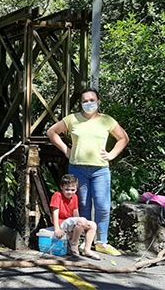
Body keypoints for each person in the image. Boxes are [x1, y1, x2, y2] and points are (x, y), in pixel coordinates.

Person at [47, 88, 129, 256]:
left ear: (98, 102)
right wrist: (66, 149)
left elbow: (123, 138)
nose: (88, 103)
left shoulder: (107, 120)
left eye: (92, 100)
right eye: (85, 101)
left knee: (103, 206)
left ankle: (102, 242)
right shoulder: (72, 119)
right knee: (83, 206)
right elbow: (52, 132)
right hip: (78, 168)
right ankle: (84, 241)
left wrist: (111, 154)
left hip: (101, 169)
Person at [50, 174, 101, 260]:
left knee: (92, 225)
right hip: (62, 222)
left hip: (72, 222)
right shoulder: (57, 195)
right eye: (67, 189)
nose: (70, 192)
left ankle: (87, 250)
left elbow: (75, 212)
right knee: (82, 221)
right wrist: (57, 229)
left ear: (76, 189)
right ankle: (74, 244)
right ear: (61, 187)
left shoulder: (75, 197)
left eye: (72, 190)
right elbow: (55, 212)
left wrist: (79, 225)